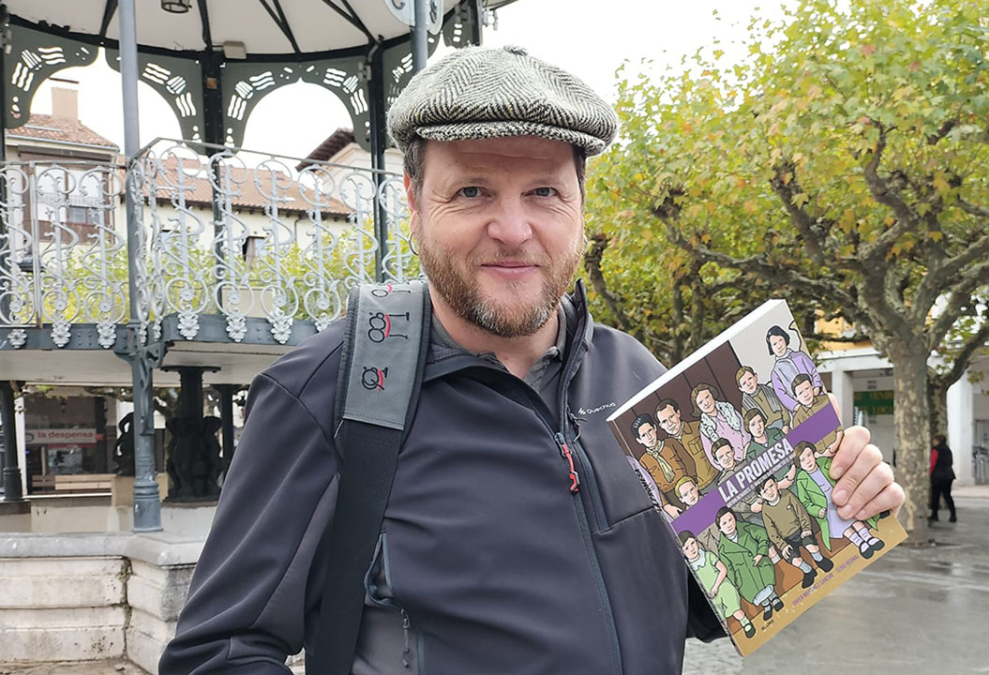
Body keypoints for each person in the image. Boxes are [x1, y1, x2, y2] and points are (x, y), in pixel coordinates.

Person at [159, 45, 904, 674]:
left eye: (544, 191)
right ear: (415, 203)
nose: (512, 229)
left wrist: (826, 510)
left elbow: (693, 603)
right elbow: (218, 652)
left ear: (582, 204)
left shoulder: (640, 376)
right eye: (473, 190)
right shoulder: (324, 395)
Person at [793, 443, 885, 559]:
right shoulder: (801, 480)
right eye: (802, 459)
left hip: (841, 497)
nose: (807, 461)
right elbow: (805, 502)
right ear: (799, 463)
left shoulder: (825, 463)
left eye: (809, 455)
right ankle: (859, 543)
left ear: (814, 453)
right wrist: (817, 510)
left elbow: (843, 475)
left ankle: (868, 537)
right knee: (840, 524)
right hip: (827, 508)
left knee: (852, 517)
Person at [756, 477, 832, 589]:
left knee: (812, 546)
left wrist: (806, 528)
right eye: (765, 491)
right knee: (794, 559)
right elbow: (772, 532)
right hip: (787, 539)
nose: (770, 492)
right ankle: (808, 571)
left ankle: (819, 560)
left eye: (771, 486)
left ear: (776, 485)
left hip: (800, 530)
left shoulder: (788, 495)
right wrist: (782, 545)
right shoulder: (766, 510)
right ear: (760, 496)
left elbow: (801, 512)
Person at [678, 530, 756, 638]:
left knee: (733, 606)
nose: (691, 549)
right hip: (706, 597)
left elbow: (723, 570)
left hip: (721, 586)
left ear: (696, 541)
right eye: (686, 548)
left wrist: (716, 587)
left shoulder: (708, 556)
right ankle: (730, 630)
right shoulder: (689, 566)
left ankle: (745, 622)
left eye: (692, 543)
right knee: (719, 616)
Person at [714, 507, 785, 622]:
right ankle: (766, 605)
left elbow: (762, 535)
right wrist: (734, 583)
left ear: (735, 520)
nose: (729, 524)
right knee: (753, 590)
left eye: (730, 520)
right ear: (720, 528)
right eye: (724, 523)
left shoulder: (746, 528)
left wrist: (760, 554)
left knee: (765, 583)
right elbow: (729, 568)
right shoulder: (722, 548)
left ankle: (774, 598)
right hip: (743, 575)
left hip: (758, 564)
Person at [655, 397, 721, 491]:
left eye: (671, 417)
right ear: (661, 426)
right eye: (664, 421)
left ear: (678, 413)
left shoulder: (698, 427)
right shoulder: (665, 449)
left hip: (719, 477)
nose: (670, 423)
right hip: (698, 491)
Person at [631, 413, 689, 515]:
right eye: (644, 435)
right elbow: (652, 486)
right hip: (669, 498)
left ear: (655, 428)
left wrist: (694, 483)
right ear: (639, 440)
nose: (649, 437)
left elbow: (688, 462)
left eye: (650, 431)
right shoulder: (643, 461)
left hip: (688, 487)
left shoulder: (670, 443)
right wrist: (666, 505)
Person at [692, 382, 751, 466]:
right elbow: (711, 455)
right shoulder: (704, 428)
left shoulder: (728, 409)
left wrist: (747, 450)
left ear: (712, 395)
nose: (706, 403)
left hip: (749, 453)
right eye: (701, 402)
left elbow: (745, 429)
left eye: (707, 397)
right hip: (731, 465)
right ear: (698, 407)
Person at [766, 325, 823, 412]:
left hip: (818, 398)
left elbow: (813, 371)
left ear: (785, 339)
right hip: (802, 411)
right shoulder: (776, 373)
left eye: (780, 340)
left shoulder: (800, 356)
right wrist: (796, 407)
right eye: (774, 344)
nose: (779, 346)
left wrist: (816, 388)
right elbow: (781, 394)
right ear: (771, 348)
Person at [789, 373, 843, 454]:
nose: (805, 394)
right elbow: (803, 445)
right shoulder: (797, 419)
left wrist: (832, 449)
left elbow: (839, 429)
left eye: (807, 388)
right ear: (796, 398)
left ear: (812, 387)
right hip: (819, 458)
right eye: (800, 393)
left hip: (840, 448)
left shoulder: (826, 401)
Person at [737, 366, 788, 433]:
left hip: (783, 423)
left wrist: (786, 424)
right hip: (767, 431)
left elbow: (783, 406)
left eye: (750, 378)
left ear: (755, 377)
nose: (748, 384)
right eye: (744, 383)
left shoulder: (768, 390)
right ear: (741, 389)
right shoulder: (745, 406)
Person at [930, 433, 958, 523]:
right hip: (949, 474)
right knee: (947, 495)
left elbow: (933, 462)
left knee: (935, 496)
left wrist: (929, 473)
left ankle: (934, 515)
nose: (932, 442)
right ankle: (953, 514)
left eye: (934, 440)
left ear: (937, 441)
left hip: (938, 475)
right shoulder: (948, 450)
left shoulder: (935, 450)